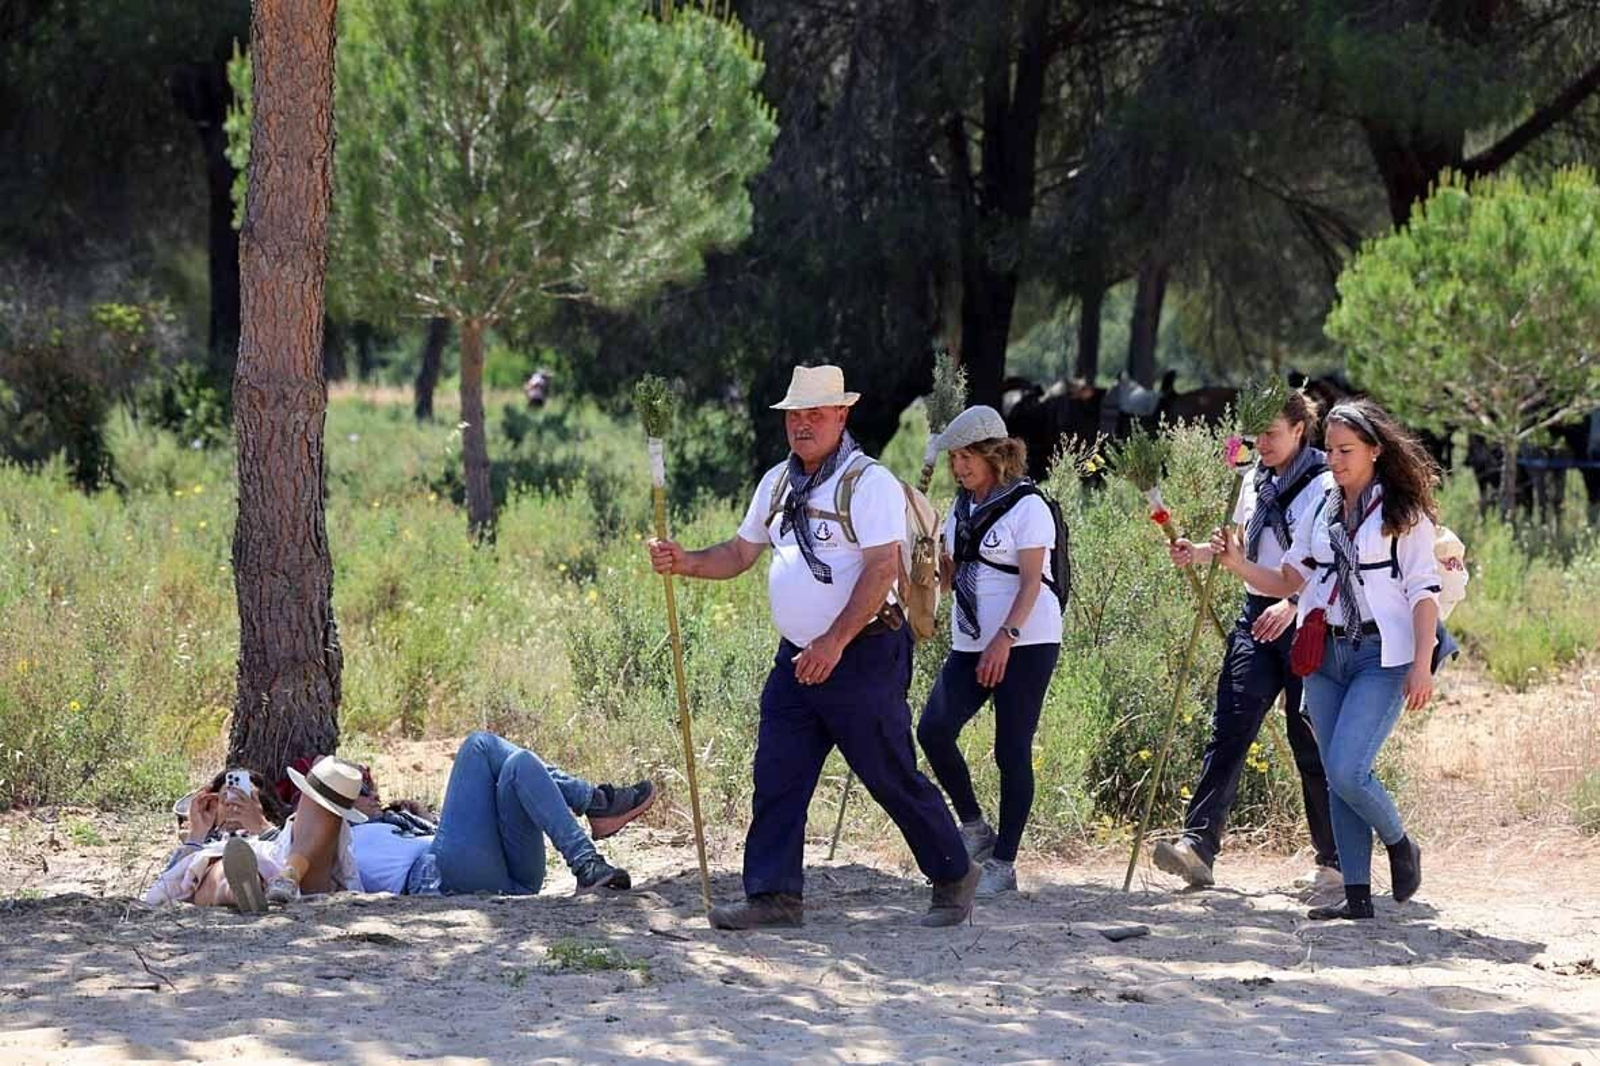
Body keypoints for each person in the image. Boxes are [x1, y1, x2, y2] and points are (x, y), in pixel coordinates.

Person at [648, 364, 978, 930]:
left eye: (814, 414)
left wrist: (833, 641)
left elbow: (880, 571)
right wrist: (686, 562)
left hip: (864, 655)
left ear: (841, 416)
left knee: (888, 773)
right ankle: (774, 896)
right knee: (778, 773)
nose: (802, 424)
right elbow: (739, 552)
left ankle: (953, 873)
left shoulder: (867, 482)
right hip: (798, 657)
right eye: (794, 415)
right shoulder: (776, 483)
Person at [1209, 398, 1439, 920]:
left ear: (1376, 451)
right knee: (1336, 776)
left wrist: (1422, 663)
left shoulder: (1404, 512)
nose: (1334, 460)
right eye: (1331, 449)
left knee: (1347, 768)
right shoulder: (1323, 506)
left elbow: (1424, 592)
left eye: (1347, 450)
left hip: (1381, 654)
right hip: (1324, 653)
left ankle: (1401, 845)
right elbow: (1289, 581)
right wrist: (1238, 566)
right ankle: (1356, 897)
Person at [1155, 391, 1341, 893]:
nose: (1262, 445)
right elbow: (1240, 545)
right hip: (1256, 616)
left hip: (1308, 619)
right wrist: (1197, 552)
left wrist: (1295, 604)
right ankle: (1198, 847)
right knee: (1231, 727)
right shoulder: (1252, 480)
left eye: (1273, 435)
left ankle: (1335, 861)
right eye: (1257, 436)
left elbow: (1328, 565)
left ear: (1300, 431)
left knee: (1311, 742)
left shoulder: (1325, 486)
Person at [914, 405, 1061, 897]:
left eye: (967, 458)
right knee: (933, 730)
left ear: (996, 455)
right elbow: (956, 574)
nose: (959, 468)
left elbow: (1032, 583)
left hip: (1026, 640)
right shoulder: (961, 506)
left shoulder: (1028, 506)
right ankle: (974, 824)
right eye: (955, 459)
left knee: (1010, 749)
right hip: (969, 640)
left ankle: (1005, 861)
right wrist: (927, 563)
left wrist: (1006, 639)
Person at [287, 732, 656, 899]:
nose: (370, 793)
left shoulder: (396, 823)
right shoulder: (328, 839)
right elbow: (290, 865)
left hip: (514, 878)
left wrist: (408, 815)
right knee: (478, 745)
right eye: (359, 791)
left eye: (367, 785)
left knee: (519, 765)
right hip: (439, 876)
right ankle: (593, 802)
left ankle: (586, 863)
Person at [144, 758, 365, 913]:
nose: (233, 804)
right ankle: (244, 890)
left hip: (293, 871)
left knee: (327, 809)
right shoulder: (208, 841)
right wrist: (196, 836)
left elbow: (280, 848)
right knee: (225, 863)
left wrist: (261, 826)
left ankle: (283, 878)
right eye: (225, 798)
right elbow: (169, 880)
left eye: (246, 797)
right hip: (229, 871)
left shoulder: (280, 832)